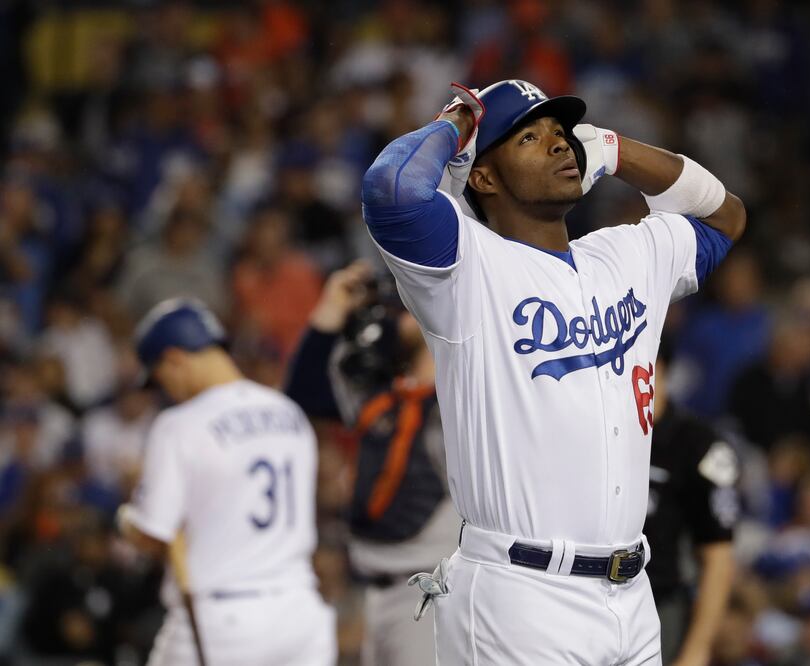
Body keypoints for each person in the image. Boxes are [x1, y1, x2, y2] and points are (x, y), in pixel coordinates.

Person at [361, 79, 746, 664]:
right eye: (529, 137)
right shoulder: (464, 268)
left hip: (633, 592)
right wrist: (458, 124)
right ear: (484, 177)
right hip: (520, 592)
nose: (560, 145)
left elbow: (725, 216)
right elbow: (393, 186)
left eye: (561, 133)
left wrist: (614, 150)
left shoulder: (626, 254)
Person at [116, 298, 336, 665]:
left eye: (160, 377)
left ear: (174, 359)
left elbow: (154, 537)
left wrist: (126, 518)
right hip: (301, 613)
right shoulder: (289, 412)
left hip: (225, 619)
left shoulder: (180, 425)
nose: (165, 389)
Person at [286, 260, 459, 666]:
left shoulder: (463, 397)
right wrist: (331, 310)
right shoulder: (384, 397)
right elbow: (306, 397)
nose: (389, 317)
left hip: (434, 588)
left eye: (402, 308)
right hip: (375, 590)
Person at [644, 350, 739, 665]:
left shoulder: (697, 445)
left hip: (658, 603)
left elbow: (718, 557)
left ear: (662, 371)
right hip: (585, 593)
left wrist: (698, 647)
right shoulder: (595, 433)